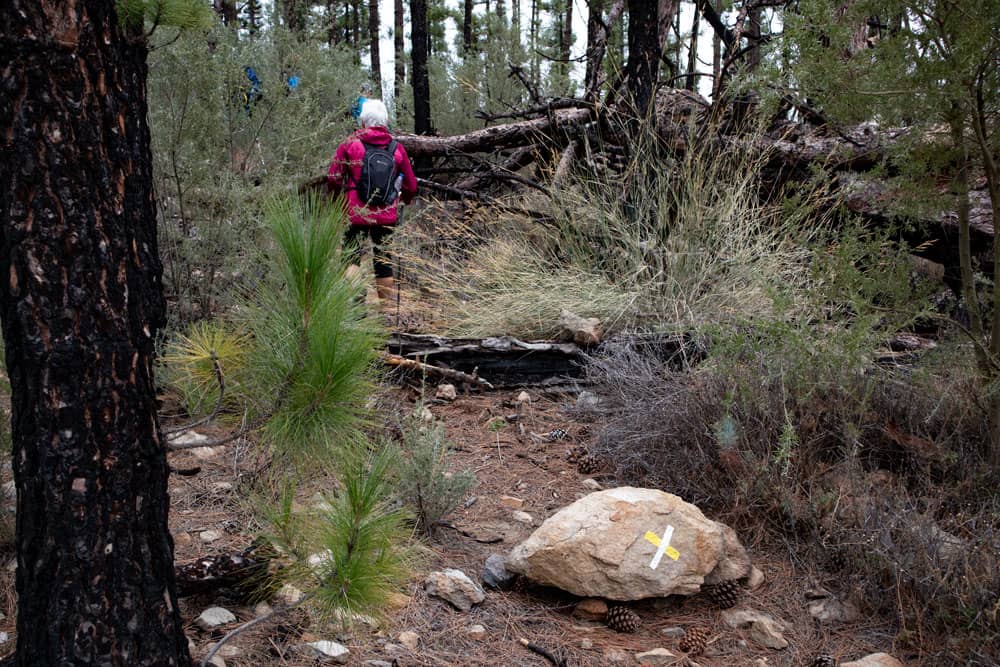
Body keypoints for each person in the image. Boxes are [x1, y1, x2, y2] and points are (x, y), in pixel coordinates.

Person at [328, 99, 417, 306]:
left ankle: (357, 308)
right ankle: (386, 312)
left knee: (351, 257)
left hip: (356, 213)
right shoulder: (396, 148)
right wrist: (403, 199)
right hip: (386, 214)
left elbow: (333, 178)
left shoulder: (350, 144)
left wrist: (336, 202)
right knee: (383, 260)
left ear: (363, 121)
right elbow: (412, 185)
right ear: (385, 122)